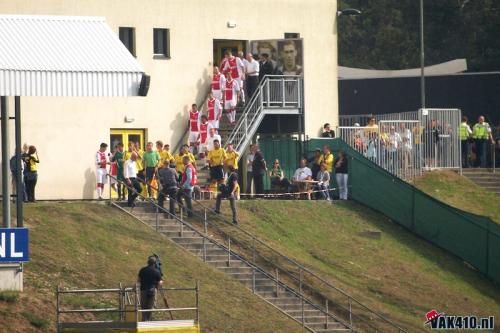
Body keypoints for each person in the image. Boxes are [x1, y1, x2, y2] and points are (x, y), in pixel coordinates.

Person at [137, 257, 163, 321]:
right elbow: (160, 282)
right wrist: (157, 288)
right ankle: (148, 320)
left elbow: (138, 280)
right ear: (154, 263)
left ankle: (143, 319)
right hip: (152, 291)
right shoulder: (156, 271)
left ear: (148, 263)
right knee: (150, 306)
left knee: (143, 306)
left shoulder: (142, 270)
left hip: (143, 290)